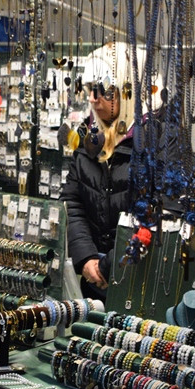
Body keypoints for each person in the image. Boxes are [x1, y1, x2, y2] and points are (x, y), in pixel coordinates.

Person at [60, 42, 148, 301]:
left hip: (138, 281)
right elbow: (71, 202)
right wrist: (86, 257)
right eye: (89, 90)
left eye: (102, 91)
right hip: (90, 281)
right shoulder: (88, 137)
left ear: (127, 91)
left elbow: (157, 216)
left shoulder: (157, 140)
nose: (92, 99)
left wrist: (109, 265)